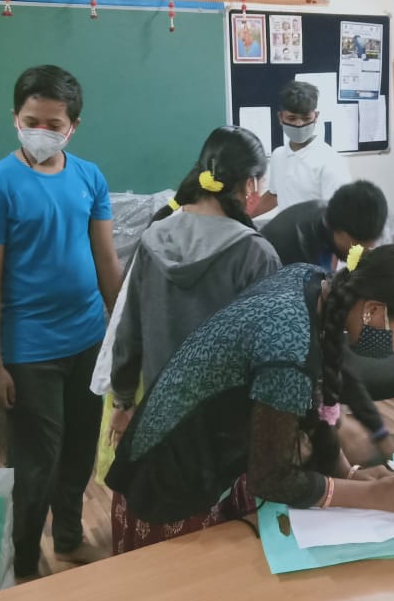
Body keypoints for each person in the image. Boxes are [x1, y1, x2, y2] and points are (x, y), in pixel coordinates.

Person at [107, 244, 394, 554]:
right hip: (169, 484)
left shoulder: (311, 280)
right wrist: (374, 495)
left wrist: (349, 475)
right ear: (373, 310)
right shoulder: (289, 345)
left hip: (203, 457)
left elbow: (317, 396)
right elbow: (271, 478)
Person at [0, 65, 123, 580]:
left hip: (87, 340)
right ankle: (27, 563)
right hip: (29, 348)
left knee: (81, 450)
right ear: (15, 118)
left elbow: (107, 260)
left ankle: (70, 538)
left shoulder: (89, 177)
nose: (42, 131)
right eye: (31, 119)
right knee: (37, 463)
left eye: (53, 124)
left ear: (72, 126)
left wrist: (122, 332)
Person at [108, 127, 281, 440]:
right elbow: (272, 353)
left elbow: (129, 329)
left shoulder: (153, 237)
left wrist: (122, 400)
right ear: (251, 184)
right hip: (227, 429)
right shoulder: (255, 254)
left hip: (160, 422)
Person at [252, 80, 351, 215]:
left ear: (316, 117)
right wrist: (241, 217)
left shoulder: (330, 161)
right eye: (291, 118)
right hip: (287, 234)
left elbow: (340, 212)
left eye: (306, 118)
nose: (299, 124)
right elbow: (274, 195)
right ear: (280, 117)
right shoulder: (278, 155)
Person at [261, 179, 388, 271]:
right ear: (332, 227)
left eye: (365, 251)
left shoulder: (346, 217)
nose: (357, 256)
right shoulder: (298, 251)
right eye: (354, 249)